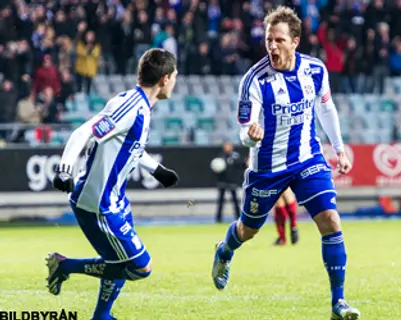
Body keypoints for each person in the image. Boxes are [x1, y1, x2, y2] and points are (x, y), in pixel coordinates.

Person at [210, 6, 360, 319]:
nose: (272, 47)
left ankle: (339, 303)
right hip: (268, 167)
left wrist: (340, 149)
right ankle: (224, 251)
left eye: (279, 40)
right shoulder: (254, 80)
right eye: (268, 40)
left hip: (307, 158)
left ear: (295, 41)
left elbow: (326, 109)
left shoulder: (316, 70)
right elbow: (244, 131)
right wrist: (251, 136)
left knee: (331, 221)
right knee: (248, 230)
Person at [46, 48, 180, 320]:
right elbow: (83, 131)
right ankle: (65, 266)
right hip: (98, 204)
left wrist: (157, 170)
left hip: (114, 200)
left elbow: (130, 147)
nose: (176, 83)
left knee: (117, 258)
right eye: (175, 77)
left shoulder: (140, 106)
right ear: (165, 79)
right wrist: (64, 169)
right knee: (140, 267)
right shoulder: (129, 107)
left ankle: (101, 316)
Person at [215, 142, 244, 223]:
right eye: (225, 146)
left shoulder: (236, 156)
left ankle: (238, 217)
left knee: (235, 200)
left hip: (232, 181)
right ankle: (218, 218)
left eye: (228, 146)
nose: (226, 147)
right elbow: (216, 167)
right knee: (221, 201)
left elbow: (241, 164)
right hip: (222, 181)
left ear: (231, 147)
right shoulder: (220, 156)